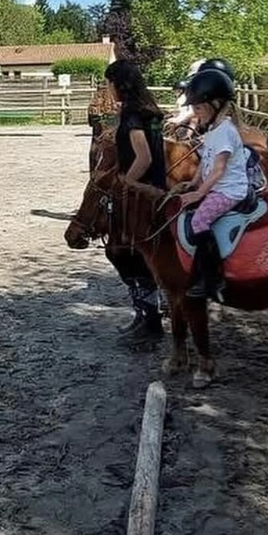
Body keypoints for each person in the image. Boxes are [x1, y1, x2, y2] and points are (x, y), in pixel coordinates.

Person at [102, 59, 168, 347]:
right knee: (134, 254)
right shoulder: (148, 111)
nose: (108, 88)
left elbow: (143, 156)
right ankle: (146, 316)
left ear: (120, 84)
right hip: (155, 189)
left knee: (124, 254)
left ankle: (150, 320)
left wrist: (125, 183)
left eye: (109, 82)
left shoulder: (131, 115)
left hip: (139, 194)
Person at [177, 67, 250, 301]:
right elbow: (205, 162)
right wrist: (193, 182)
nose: (195, 114)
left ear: (216, 104)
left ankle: (212, 277)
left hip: (230, 190)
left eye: (198, 108)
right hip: (217, 187)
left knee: (200, 220)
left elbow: (218, 169)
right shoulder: (212, 130)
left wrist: (199, 193)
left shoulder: (226, 132)